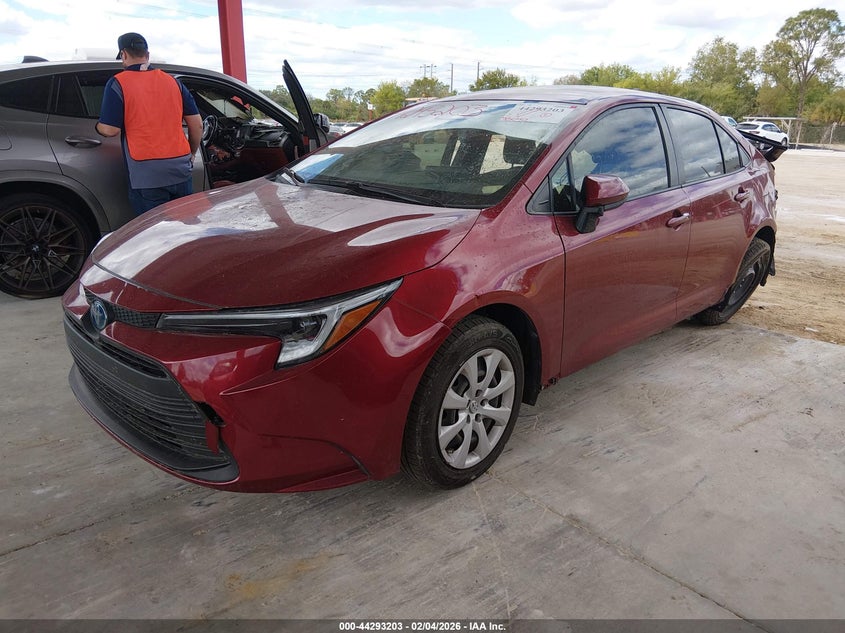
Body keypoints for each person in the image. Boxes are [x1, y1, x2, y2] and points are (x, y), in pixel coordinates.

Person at [96, 32, 203, 215]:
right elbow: (197, 125)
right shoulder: (172, 82)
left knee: (155, 234)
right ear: (147, 54)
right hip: (180, 169)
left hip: (146, 174)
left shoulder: (118, 83)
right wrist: (192, 154)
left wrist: (98, 127)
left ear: (124, 54)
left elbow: (110, 130)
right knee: (184, 230)